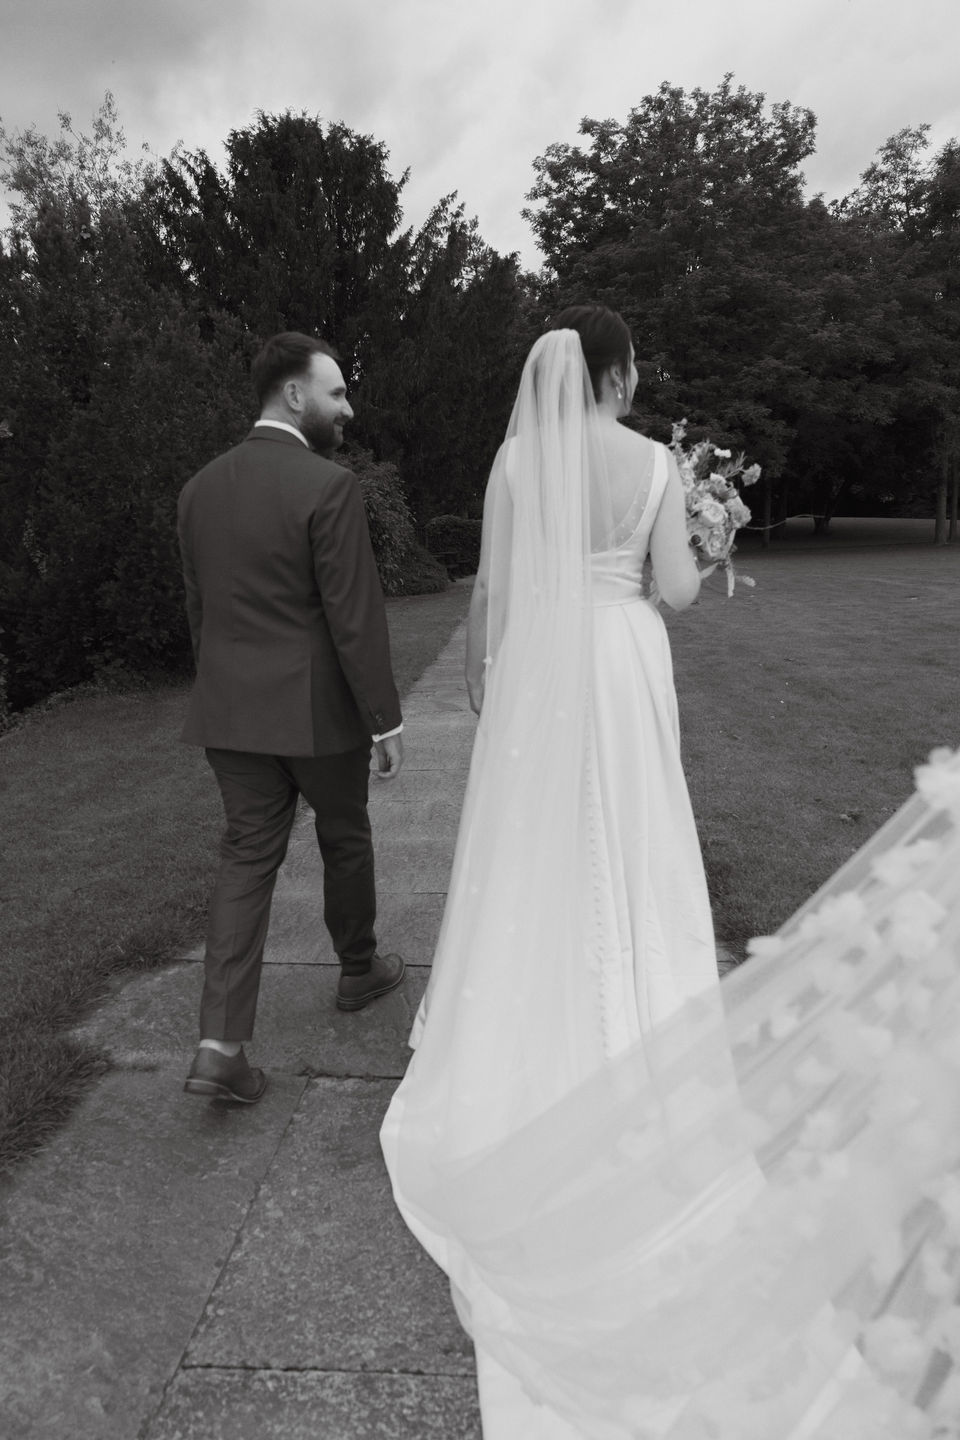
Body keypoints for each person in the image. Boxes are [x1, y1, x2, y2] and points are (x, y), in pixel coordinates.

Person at [381, 312, 960, 1437]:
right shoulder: (654, 463)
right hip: (621, 656)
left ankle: (529, 1006)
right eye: (637, 364)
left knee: (534, 836)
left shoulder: (514, 459)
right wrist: (702, 534)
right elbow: (679, 594)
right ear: (617, 373)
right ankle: (643, 1015)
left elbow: (493, 587)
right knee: (634, 829)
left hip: (543, 661)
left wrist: (485, 674)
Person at [178, 331, 405, 1106]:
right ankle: (358, 970)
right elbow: (354, 616)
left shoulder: (198, 489)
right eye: (337, 393)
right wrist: (383, 719)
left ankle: (220, 1047)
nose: (348, 408)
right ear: (296, 394)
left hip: (229, 714)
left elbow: (200, 614)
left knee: (246, 858)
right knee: (345, 835)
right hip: (317, 717)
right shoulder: (329, 485)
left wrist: (220, 689)